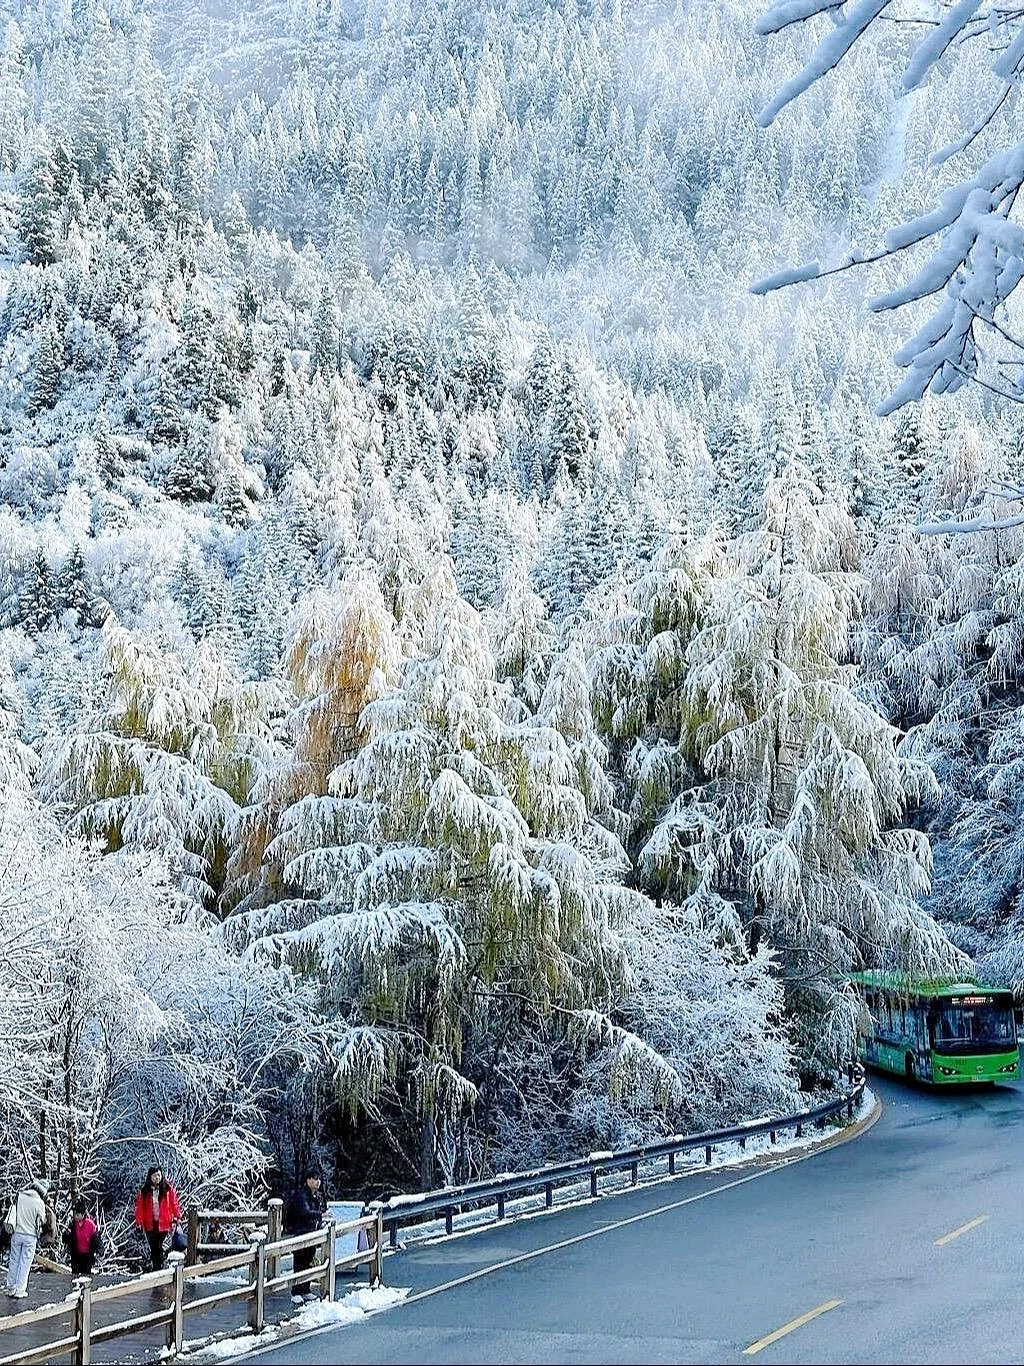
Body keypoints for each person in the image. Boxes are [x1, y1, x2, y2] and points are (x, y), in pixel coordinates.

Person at [4, 1176, 56, 1300]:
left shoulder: (20, 1196)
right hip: (30, 1236)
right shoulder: (39, 1203)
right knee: (25, 1263)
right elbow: (43, 1220)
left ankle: (11, 1287)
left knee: (14, 1261)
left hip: (16, 1234)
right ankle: (20, 1290)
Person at [284, 1169, 327, 1304]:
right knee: (299, 1261)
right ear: (308, 1180)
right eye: (314, 1178)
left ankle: (306, 1289)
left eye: (319, 1179)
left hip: (311, 1231)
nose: (317, 1182)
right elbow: (304, 1212)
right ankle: (296, 1291)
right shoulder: (301, 1195)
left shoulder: (315, 1195)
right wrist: (320, 1215)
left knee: (308, 1260)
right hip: (300, 1231)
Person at [133, 1167, 181, 1272]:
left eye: (159, 1175)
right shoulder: (144, 1191)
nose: (157, 1177)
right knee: (153, 1246)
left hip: (164, 1222)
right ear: (150, 1177)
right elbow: (139, 1207)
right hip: (149, 1223)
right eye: (155, 1175)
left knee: (158, 1245)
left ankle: (158, 1268)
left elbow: (174, 1203)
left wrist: (177, 1216)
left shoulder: (167, 1189)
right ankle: (157, 1267)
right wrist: (139, 1221)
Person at [63, 1198, 102, 1277]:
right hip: (76, 1255)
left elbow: (96, 1239)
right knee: (75, 1275)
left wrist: (98, 1250)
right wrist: (65, 1237)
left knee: (86, 1275)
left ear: (82, 1214)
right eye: (74, 1215)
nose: (75, 1217)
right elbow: (70, 1238)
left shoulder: (90, 1225)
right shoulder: (73, 1225)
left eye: (77, 1215)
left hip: (87, 1255)